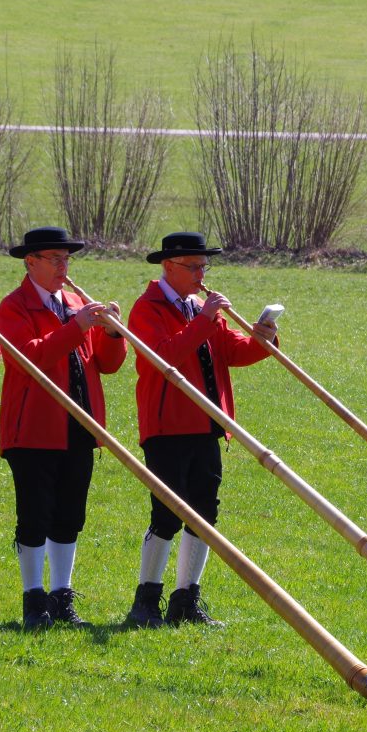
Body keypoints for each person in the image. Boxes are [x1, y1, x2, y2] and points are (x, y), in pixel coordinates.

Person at [124, 231, 278, 628]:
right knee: (167, 513)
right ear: (168, 267)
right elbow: (163, 357)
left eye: (204, 267)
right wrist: (205, 320)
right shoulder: (147, 308)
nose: (200, 274)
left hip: (208, 423)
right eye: (193, 267)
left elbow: (233, 352)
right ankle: (146, 600)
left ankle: (186, 599)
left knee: (205, 512)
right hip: (167, 426)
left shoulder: (200, 307)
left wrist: (263, 338)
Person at [0, 226, 126, 630]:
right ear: (30, 262)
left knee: (70, 515)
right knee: (35, 515)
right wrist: (76, 327)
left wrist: (111, 333)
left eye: (66, 259)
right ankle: (33, 599)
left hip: (79, 425)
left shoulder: (75, 303)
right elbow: (28, 359)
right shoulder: (13, 308)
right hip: (34, 429)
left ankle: (61, 595)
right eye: (55, 259)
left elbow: (107, 365)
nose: (63, 267)